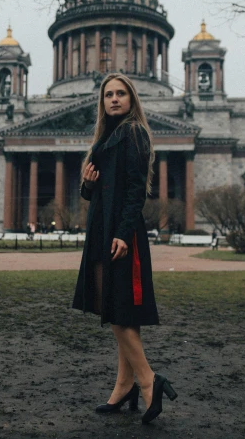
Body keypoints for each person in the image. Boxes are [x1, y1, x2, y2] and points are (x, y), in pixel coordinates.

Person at [72, 73, 178, 424]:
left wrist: (121, 232)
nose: (114, 99)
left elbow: (136, 191)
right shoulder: (106, 137)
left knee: (116, 309)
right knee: (118, 309)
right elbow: (95, 193)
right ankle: (124, 385)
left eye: (121, 93)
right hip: (103, 229)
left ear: (132, 99)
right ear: (102, 101)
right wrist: (87, 185)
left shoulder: (133, 132)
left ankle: (149, 381)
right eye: (108, 94)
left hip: (119, 234)